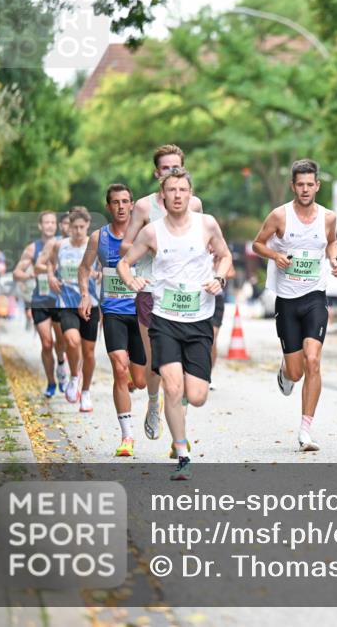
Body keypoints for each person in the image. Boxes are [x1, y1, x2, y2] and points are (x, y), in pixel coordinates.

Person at [118, 168, 231, 480]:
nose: (178, 195)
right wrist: (132, 280)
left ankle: (180, 407)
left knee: (196, 396)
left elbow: (225, 256)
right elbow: (124, 262)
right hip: (164, 318)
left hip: (198, 320)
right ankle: (182, 453)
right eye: (172, 190)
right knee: (171, 385)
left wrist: (219, 277)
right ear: (163, 195)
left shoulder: (206, 224)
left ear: (190, 194)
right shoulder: (152, 232)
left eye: (183, 189)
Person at [251, 159, 337, 452]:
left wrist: (334, 260)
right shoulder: (280, 216)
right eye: (300, 184)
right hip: (287, 300)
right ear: (293, 186)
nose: (305, 189)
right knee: (296, 372)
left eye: (310, 184)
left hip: (315, 296)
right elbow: (257, 244)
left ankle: (305, 431)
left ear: (317, 185)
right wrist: (274, 256)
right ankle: (285, 371)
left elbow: (332, 242)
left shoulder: (328, 217)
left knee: (313, 359)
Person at [121, 144, 204, 441]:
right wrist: (150, 247)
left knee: (183, 362)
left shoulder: (194, 205)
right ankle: (154, 404)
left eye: (176, 167)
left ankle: (179, 421)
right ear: (157, 173)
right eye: (165, 168)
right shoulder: (143, 207)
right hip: (151, 290)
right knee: (156, 358)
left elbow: (202, 242)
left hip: (185, 291)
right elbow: (125, 246)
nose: (170, 172)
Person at [78, 184, 148, 457]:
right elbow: (85, 268)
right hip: (113, 312)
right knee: (120, 369)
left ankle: (146, 390)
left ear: (132, 205)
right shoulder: (99, 237)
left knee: (140, 380)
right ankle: (127, 437)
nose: (120, 206)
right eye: (115, 202)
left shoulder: (145, 234)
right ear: (108, 207)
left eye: (125, 201)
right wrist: (85, 295)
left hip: (141, 312)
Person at [38, 207, 100, 411]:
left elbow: (105, 269)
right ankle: (74, 377)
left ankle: (86, 392)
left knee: (89, 353)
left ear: (88, 226)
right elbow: (49, 263)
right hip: (67, 304)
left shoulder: (95, 245)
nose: (79, 231)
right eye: (75, 227)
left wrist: (98, 276)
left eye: (82, 227)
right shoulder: (59, 245)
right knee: (72, 341)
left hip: (91, 303)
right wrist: (51, 276)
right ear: (69, 228)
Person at [12, 211, 69, 397]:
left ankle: (61, 363)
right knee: (46, 343)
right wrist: (31, 274)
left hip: (60, 300)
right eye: (46, 222)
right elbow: (16, 273)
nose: (50, 225)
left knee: (61, 342)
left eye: (53, 222)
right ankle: (51, 383)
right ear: (40, 226)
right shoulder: (32, 248)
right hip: (40, 300)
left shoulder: (63, 244)